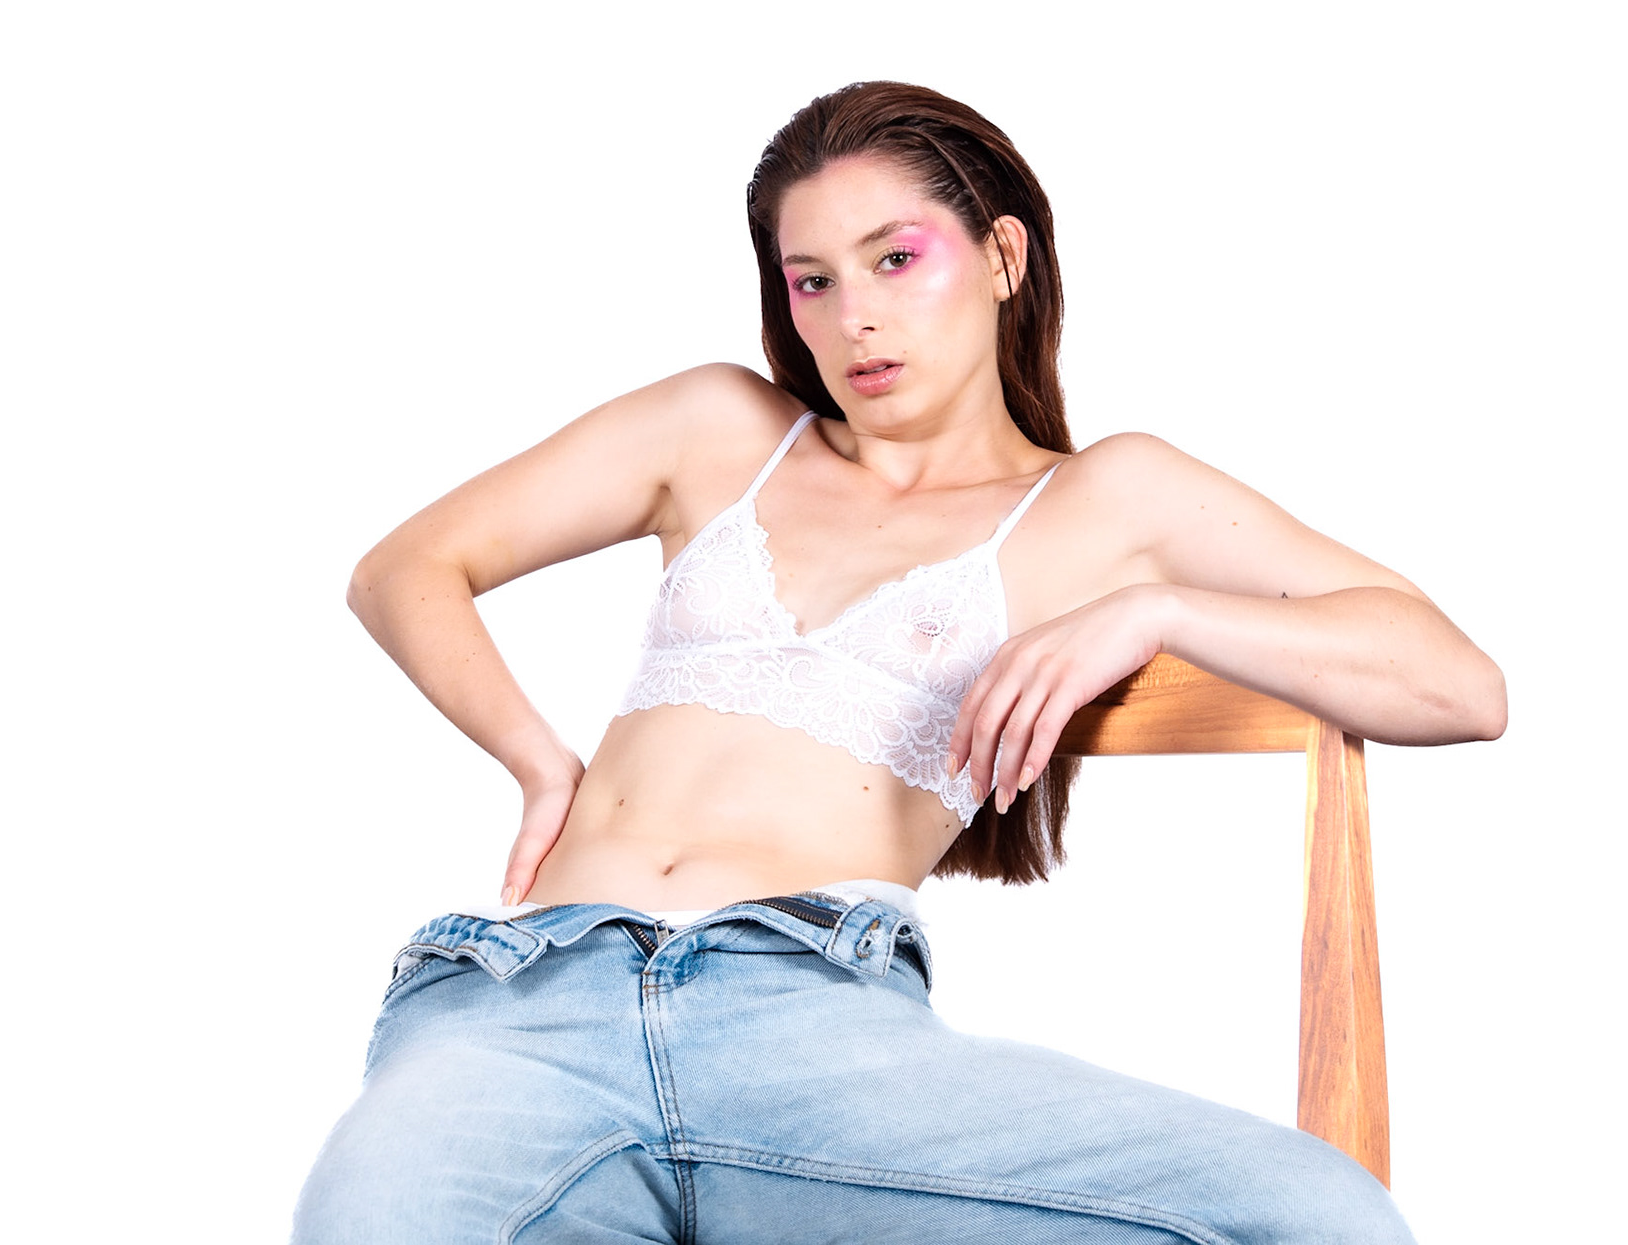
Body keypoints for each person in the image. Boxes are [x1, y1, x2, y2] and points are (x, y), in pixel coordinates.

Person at [292, 82, 1505, 1243]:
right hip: (527, 1009)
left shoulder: (1107, 499)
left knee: (1314, 1217)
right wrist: (540, 764)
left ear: (1003, 257)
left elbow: (1459, 685)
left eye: (896, 258)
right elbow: (404, 569)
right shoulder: (717, 428)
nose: (852, 318)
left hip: (815, 1033)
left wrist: (1160, 612)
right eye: (811, 280)